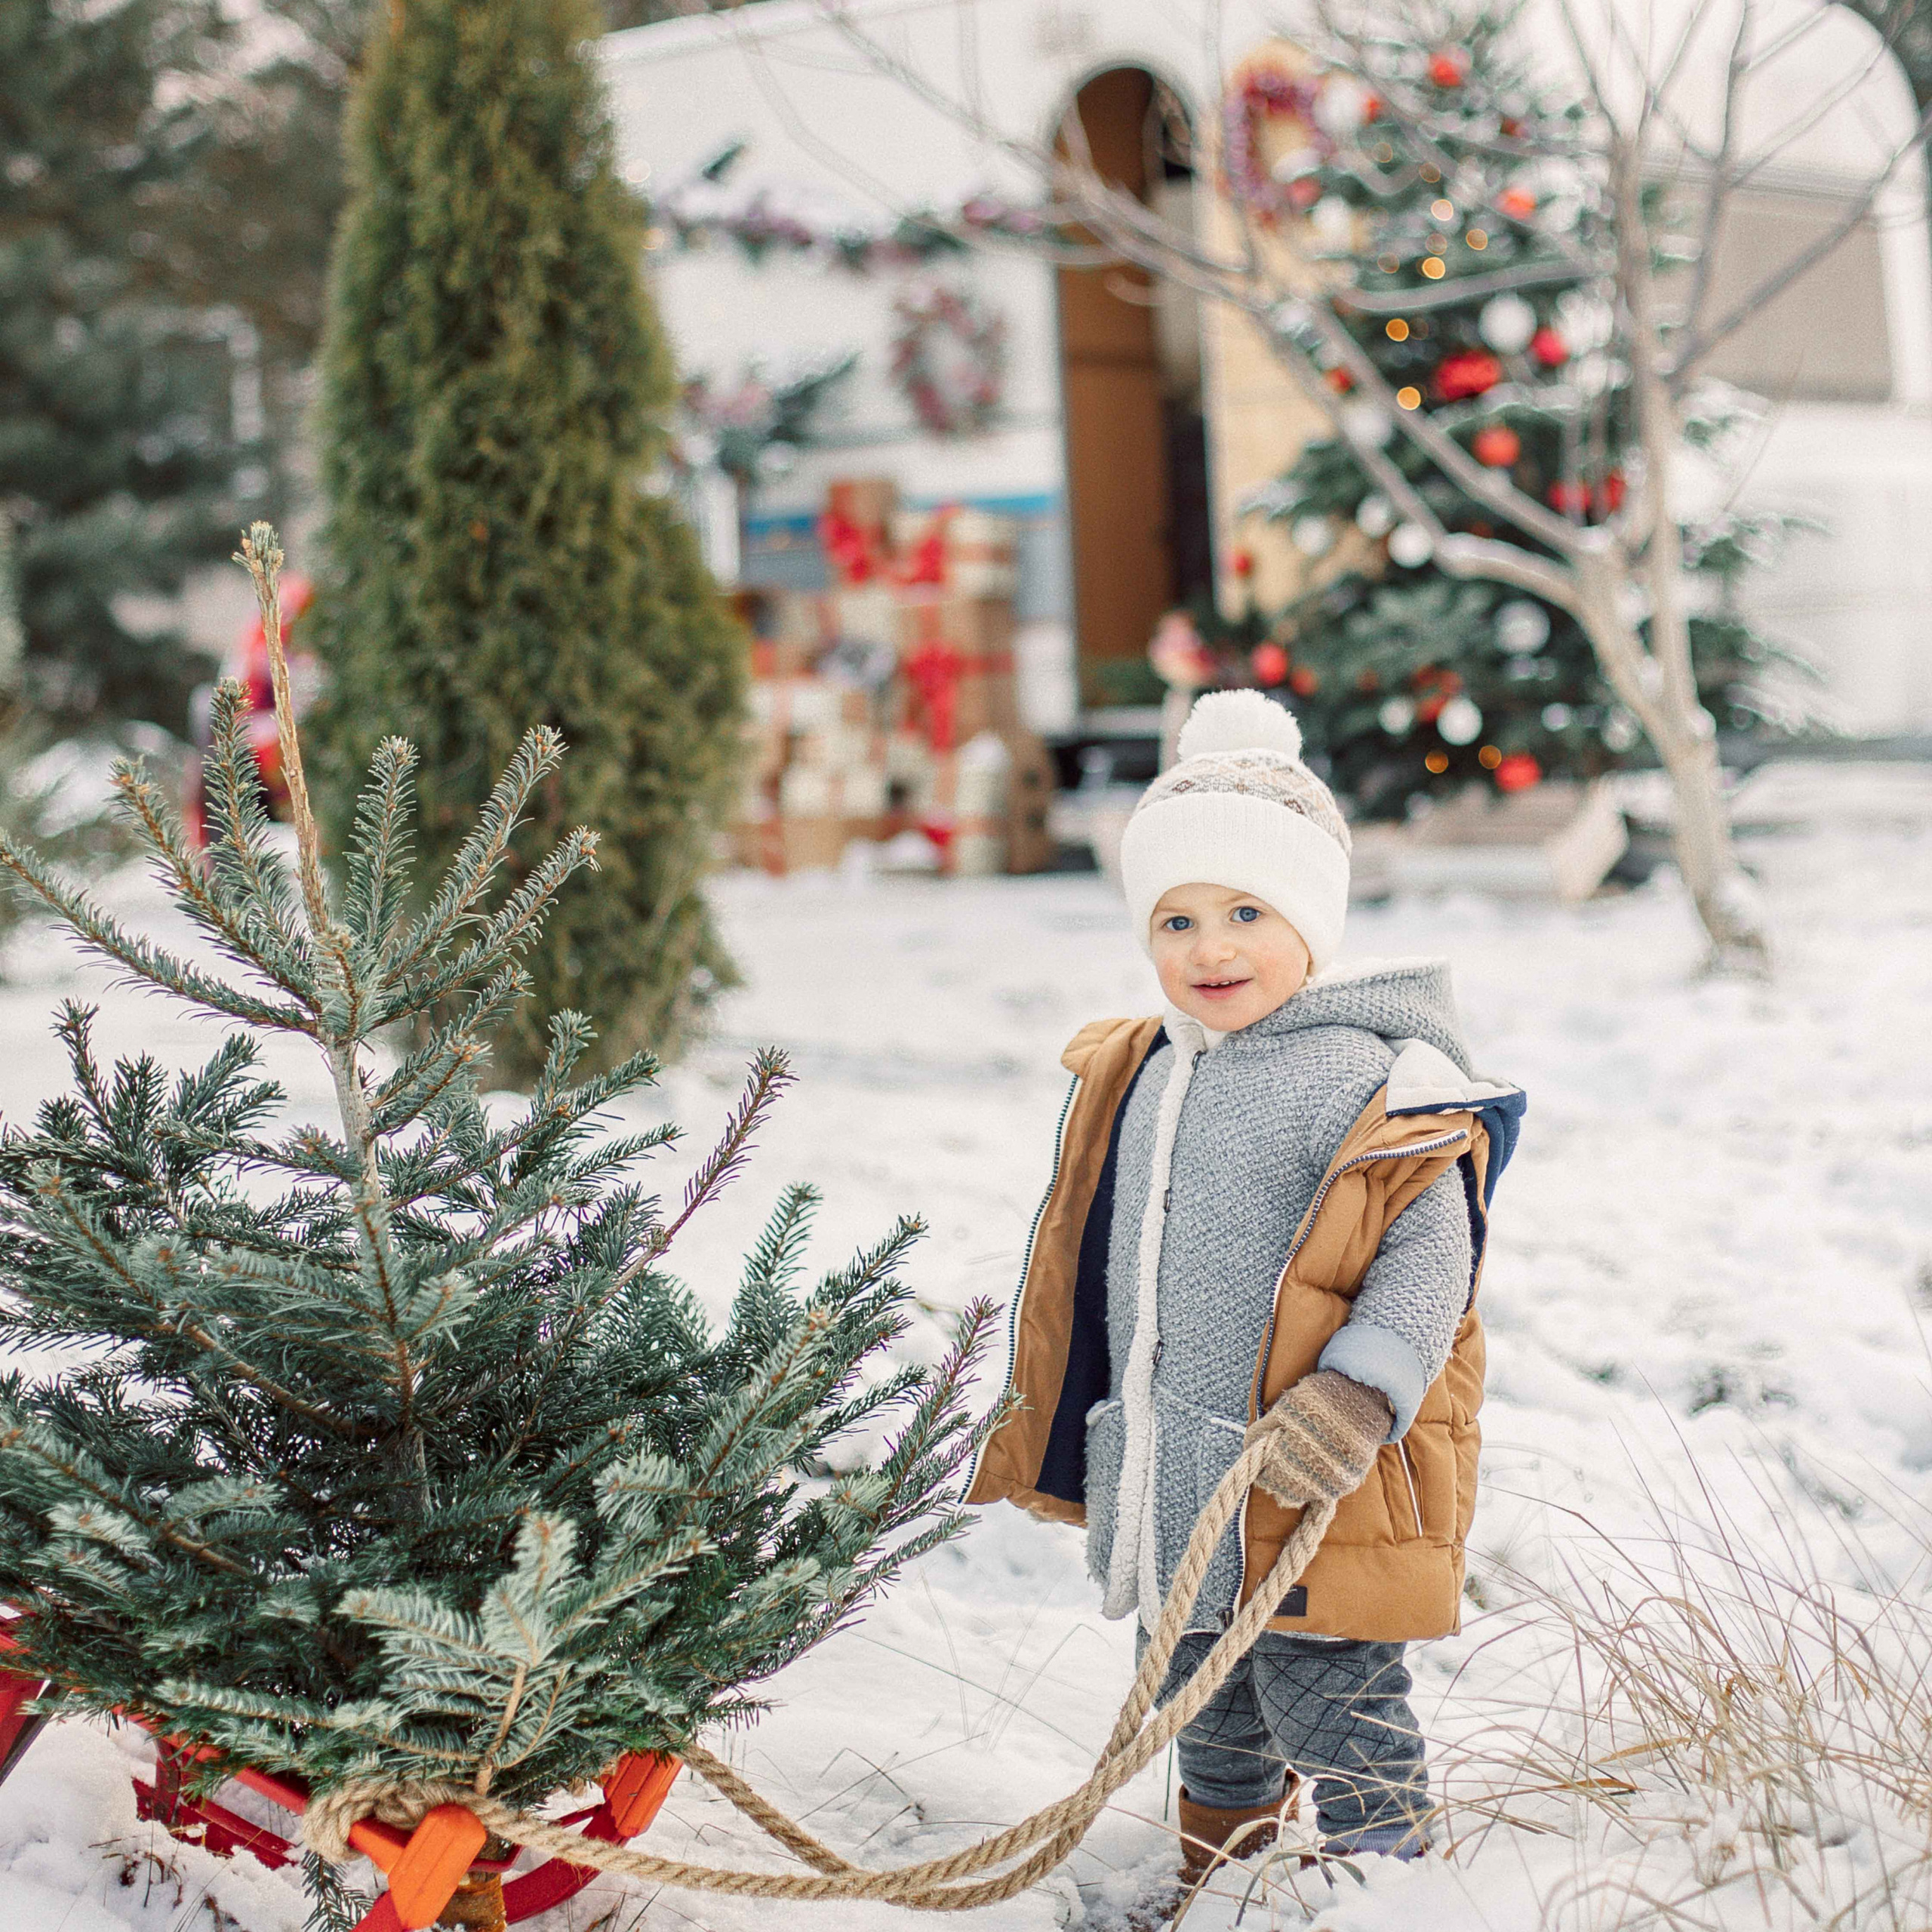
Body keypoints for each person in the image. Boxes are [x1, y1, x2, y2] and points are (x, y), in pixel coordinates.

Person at [966, 688, 1524, 1896]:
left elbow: (1432, 1252)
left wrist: (1359, 1394)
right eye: (1176, 919)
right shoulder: (1154, 1069)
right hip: (1183, 1471)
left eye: (1246, 913)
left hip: (1318, 1468)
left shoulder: (1370, 1079)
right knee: (1202, 1708)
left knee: (1332, 1696)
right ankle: (1224, 1885)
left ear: (1311, 922)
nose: (1209, 948)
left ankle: (1395, 1884)